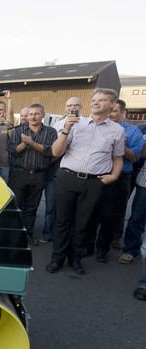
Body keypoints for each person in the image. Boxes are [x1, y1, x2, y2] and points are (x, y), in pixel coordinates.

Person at [45, 88, 125, 276]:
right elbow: (56, 152)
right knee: (62, 222)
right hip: (68, 177)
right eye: (94, 99)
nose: (95, 102)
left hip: (94, 182)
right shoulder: (74, 123)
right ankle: (57, 259)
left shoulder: (117, 130)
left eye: (102, 100)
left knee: (84, 224)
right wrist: (66, 130)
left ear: (112, 104)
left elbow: (118, 158)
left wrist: (113, 176)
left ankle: (75, 259)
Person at [86, 99, 143, 263]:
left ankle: (103, 249)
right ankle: (87, 246)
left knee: (111, 216)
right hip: (97, 175)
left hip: (120, 177)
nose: (110, 114)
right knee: (91, 213)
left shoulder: (132, 132)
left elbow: (134, 157)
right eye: (109, 111)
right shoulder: (97, 127)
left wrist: (120, 144)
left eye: (115, 111)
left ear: (123, 113)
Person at [7, 104, 57, 245]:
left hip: (39, 175)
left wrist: (31, 142)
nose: (33, 117)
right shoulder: (18, 130)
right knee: (14, 207)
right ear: (27, 116)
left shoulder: (51, 132)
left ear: (43, 115)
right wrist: (24, 144)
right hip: (19, 173)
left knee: (31, 208)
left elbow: (49, 152)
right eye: (30, 114)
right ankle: (12, 236)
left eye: (36, 114)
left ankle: (27, 235)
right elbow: (12, 151)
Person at [42, 97, 84, 243]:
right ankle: (48, 233)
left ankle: (67, 236)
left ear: (81, 107)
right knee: (51, 205)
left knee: (69, 209)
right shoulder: (56, 125)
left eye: (76, 105)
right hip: (54, 169)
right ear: (65, 108)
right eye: (69, 105)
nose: (72, 107)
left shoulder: (87, 124)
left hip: (74, 171)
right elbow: (51, 149)